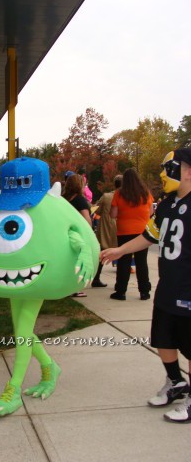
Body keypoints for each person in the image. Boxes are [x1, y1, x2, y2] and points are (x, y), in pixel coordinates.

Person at [100, 148, 191, 423]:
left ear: (187, 171)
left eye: (169, 167)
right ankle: (176, 383)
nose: (163, 174)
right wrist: (119, 250)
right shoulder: (165, 205)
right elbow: (148, 237)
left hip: (189, 289)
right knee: (163, 338)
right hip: (168, 286)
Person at [110, 168, 154, 300]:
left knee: (123, 261)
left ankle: (121, 291)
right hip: (142, 232)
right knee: (142, 262)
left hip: (124, 231)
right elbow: (151, 211)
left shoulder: (119, 193)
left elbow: (113, 214)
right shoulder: (146, 193)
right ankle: (144, 291)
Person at [63, 172, 91, 297]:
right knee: (77, 260)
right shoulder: (80, 200)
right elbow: (86, 219)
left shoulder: (62, 199)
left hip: (64, 233)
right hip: (77, 235)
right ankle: (75, 287)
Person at [91, 175, 122, 287]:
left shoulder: (106, 196)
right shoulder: (127, 197)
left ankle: (96, 277)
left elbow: (96, 210)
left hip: (106, 228)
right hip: (121, 228)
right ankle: (121, 283)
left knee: (102, 253)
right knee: (122, 254)